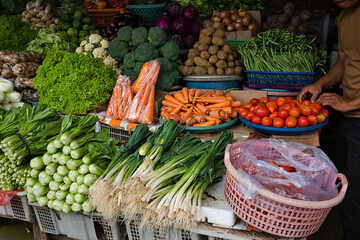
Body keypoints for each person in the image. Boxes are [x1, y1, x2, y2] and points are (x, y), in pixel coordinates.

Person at [297, 0, 360, 239]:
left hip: (354, 112)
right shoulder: (345, 16)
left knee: (355, 197)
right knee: (341, 184)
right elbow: (343, 63)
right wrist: (319, 84)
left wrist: (349, 103)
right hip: (349, 119)